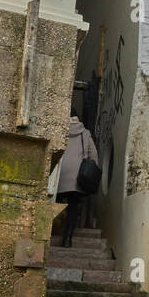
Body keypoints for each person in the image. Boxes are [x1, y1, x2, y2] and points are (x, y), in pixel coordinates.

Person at [56, 104, 98, 248]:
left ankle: (49, 233)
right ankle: (67, 238)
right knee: (73, 206)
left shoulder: (57, 129)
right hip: (76, 177)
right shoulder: (84, 133)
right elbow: (94, 156)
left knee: (55, 202)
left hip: (58, 173)